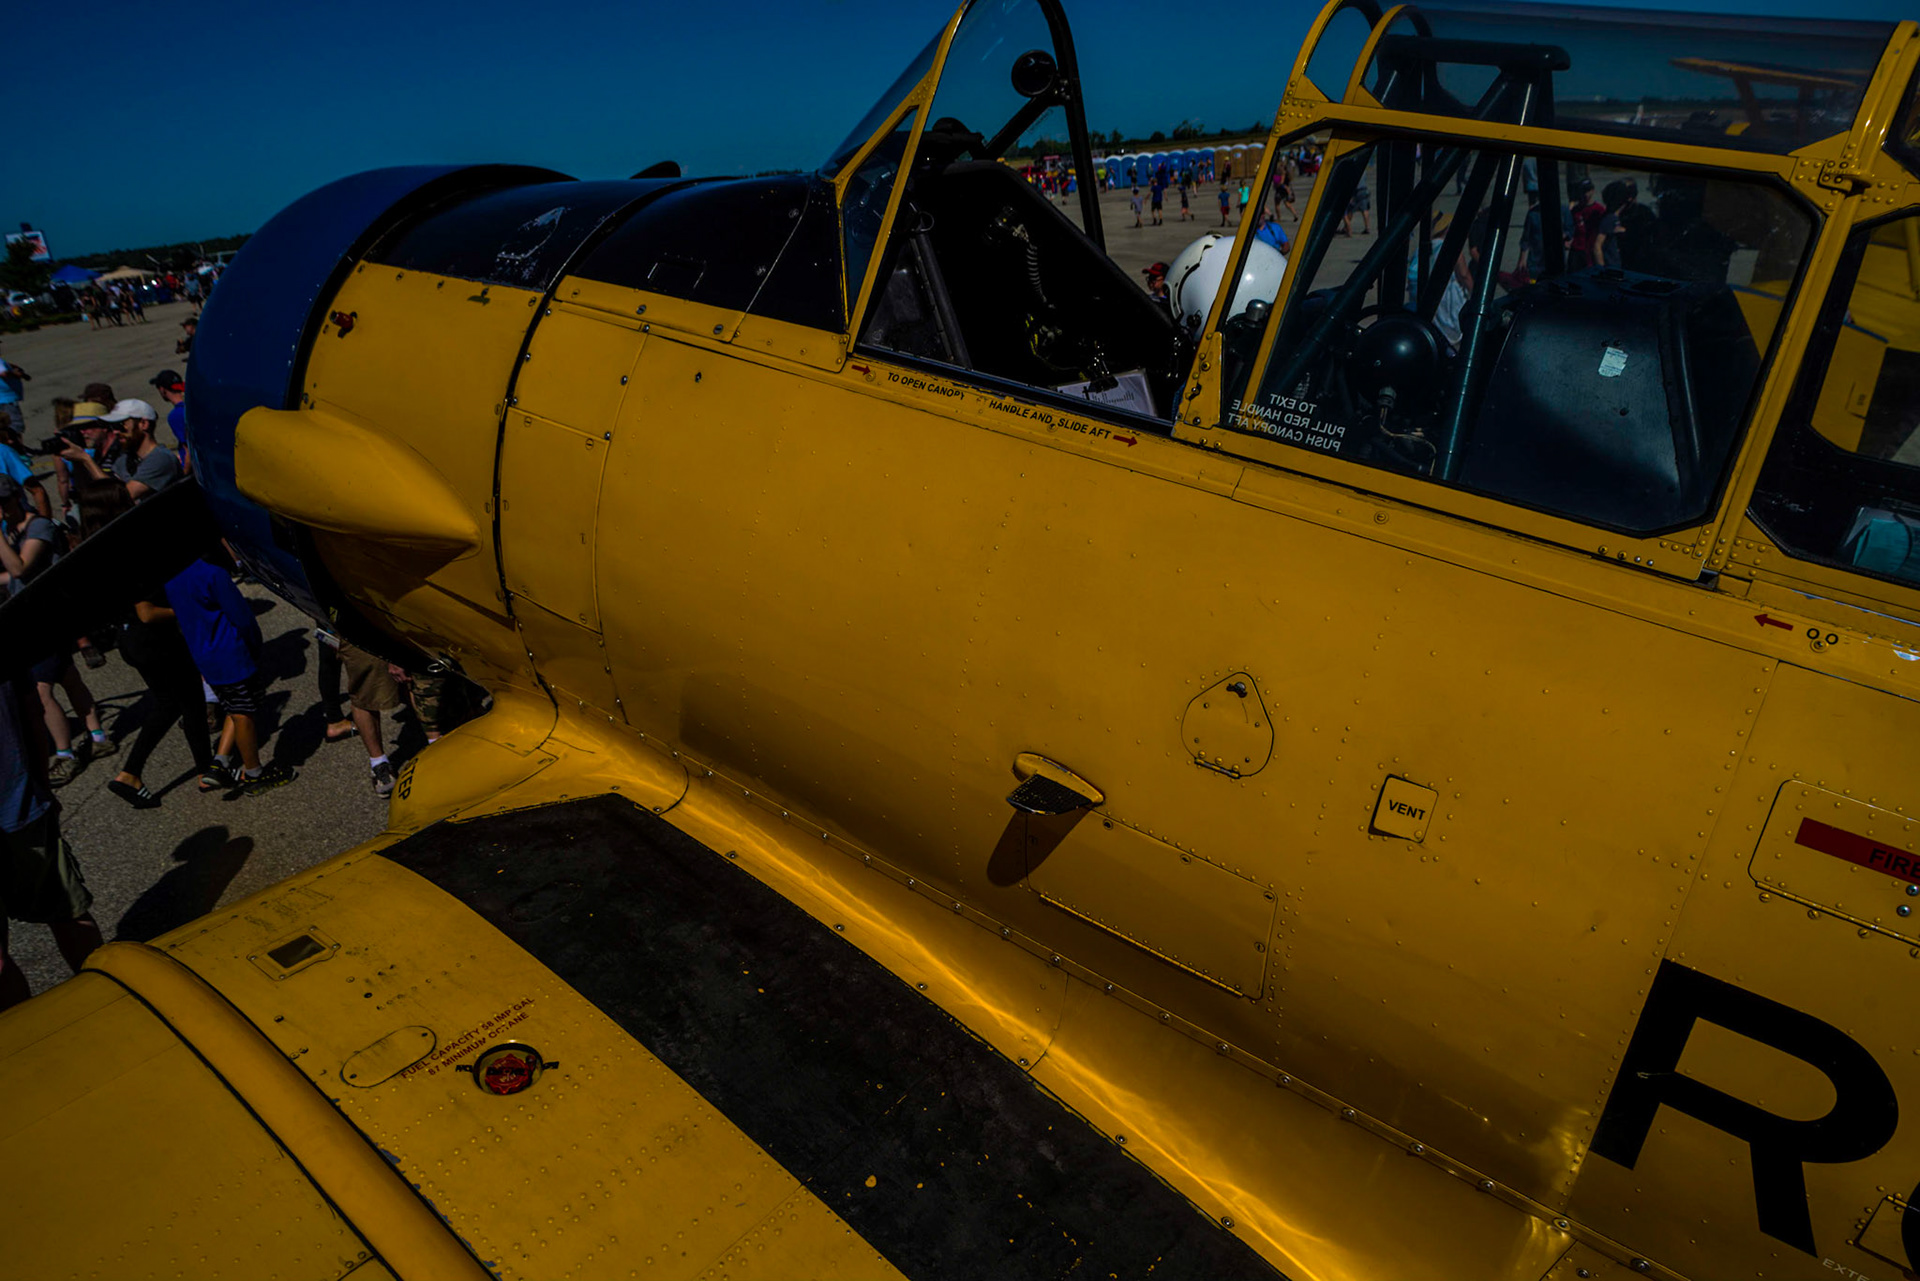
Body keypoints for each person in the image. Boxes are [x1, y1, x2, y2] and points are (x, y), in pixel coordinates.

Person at [75, 482, 215, 808]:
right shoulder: (129, 549)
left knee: (171, 703)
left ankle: (141, 772)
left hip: (131, 640)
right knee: (188, 700)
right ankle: (195, 771)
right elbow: (148, 612)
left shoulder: (96, 548)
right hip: (154, 638)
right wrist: (188, 610)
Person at [0, 667, 103, 1011]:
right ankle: (107, 1003)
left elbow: (32, 709)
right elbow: (31, 710)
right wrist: (41, 787)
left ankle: (29, 1039)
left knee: (70, 916)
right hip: (21, 805)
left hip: (20, 807)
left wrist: (41, 788)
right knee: (69, 915)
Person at [0, 476, 112, 784]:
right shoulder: (14, 529)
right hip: (37, 620)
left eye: (3, 503)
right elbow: (16, 579)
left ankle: (65, 754)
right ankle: (99, 737)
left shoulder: (39, 527)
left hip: (45, 622)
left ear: (15, 499)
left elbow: (20, 568)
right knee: (68, 677)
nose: (1, 509)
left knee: (41, 690)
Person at [165, 553, 296, 795]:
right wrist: (255, 645)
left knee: (233, 707)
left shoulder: (172, 578)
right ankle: (254, 773)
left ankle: (220, 762)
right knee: (244, 712)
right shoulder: (213, 574)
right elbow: (242, 617)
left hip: (203, 655)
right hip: (230, 654)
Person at [62, 399, 179, 501]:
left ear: (143, 424)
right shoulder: (125, 459)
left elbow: (124, 497)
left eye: (121, 425)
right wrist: (78, 460)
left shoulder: (161, 458)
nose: (116, 432)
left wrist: (85, 458)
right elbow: (108, 490)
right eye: (113, 427)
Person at [337, 641, 404, 797]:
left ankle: (436, 744)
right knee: (364, 691)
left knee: (418, 677)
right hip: (359, 628)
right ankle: (379, 764)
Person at [149, 370, 192, 475]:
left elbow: (189, 449)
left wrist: (184, 473)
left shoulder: (175, 415)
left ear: (162, 390)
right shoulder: (192, 405)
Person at [1590, 180, 1633, 271]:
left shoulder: (1615, 218)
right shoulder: (1610, 219)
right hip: (1611, 266)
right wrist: (1601, 268)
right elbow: (1597, 245)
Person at [0, 344, 28, 442]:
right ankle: (20, 450)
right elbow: (3, 373)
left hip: (2, 399)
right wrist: (15, 374)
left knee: (3, 426)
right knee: (15, 426)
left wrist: (11, 366)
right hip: (8, 400)